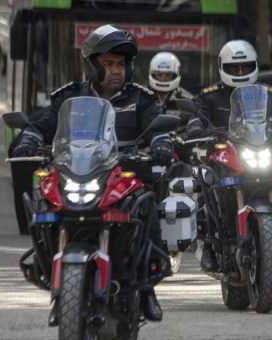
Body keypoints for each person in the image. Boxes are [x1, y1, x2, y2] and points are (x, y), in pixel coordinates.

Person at [15, 25, 168, 323]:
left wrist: (161, 143)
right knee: (44, 203)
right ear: (92, 65)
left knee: (147, 203)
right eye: (108, 64)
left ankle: (147, 289)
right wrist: (29, 138)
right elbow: (42, 124)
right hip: (79, 173)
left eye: (120, 64)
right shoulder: (68, 98)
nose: (115, 71)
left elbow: (158, 126)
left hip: (121, 178)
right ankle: (44, 261)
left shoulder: (142, 99)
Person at [187, 40, 272, 272]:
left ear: (254, 66)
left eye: (245, 67)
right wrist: (199, 128)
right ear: (222, 67)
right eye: (234, 68)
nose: (239, 72)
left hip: (258, 151)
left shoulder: (270, 94)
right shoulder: (209, 97)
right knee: (205, 182)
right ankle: (207, 244)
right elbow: (197, 119)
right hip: (224, 157)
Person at [147, 52, 193, 117]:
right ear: (153, 75)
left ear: (175, 75)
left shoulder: (187, 99)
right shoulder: (142, 97)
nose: (163, 78)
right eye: (159, 74)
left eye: (168, 75)